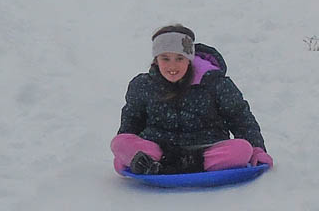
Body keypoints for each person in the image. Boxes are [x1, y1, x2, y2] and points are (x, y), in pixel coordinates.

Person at [111, 24, 273, 175]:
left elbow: (240, 118)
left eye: (179, 58)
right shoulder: (143, 85)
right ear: (156, 60)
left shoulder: (214, 83)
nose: (172, 66)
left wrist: (257, 150)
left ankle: (169, 166)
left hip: (206, 149)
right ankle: (150, 163)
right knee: (118, 143)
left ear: (189, 59)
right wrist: (127, 152)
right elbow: (131, 122)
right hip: (159, 149)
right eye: (165, 58)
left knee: (242, 150)